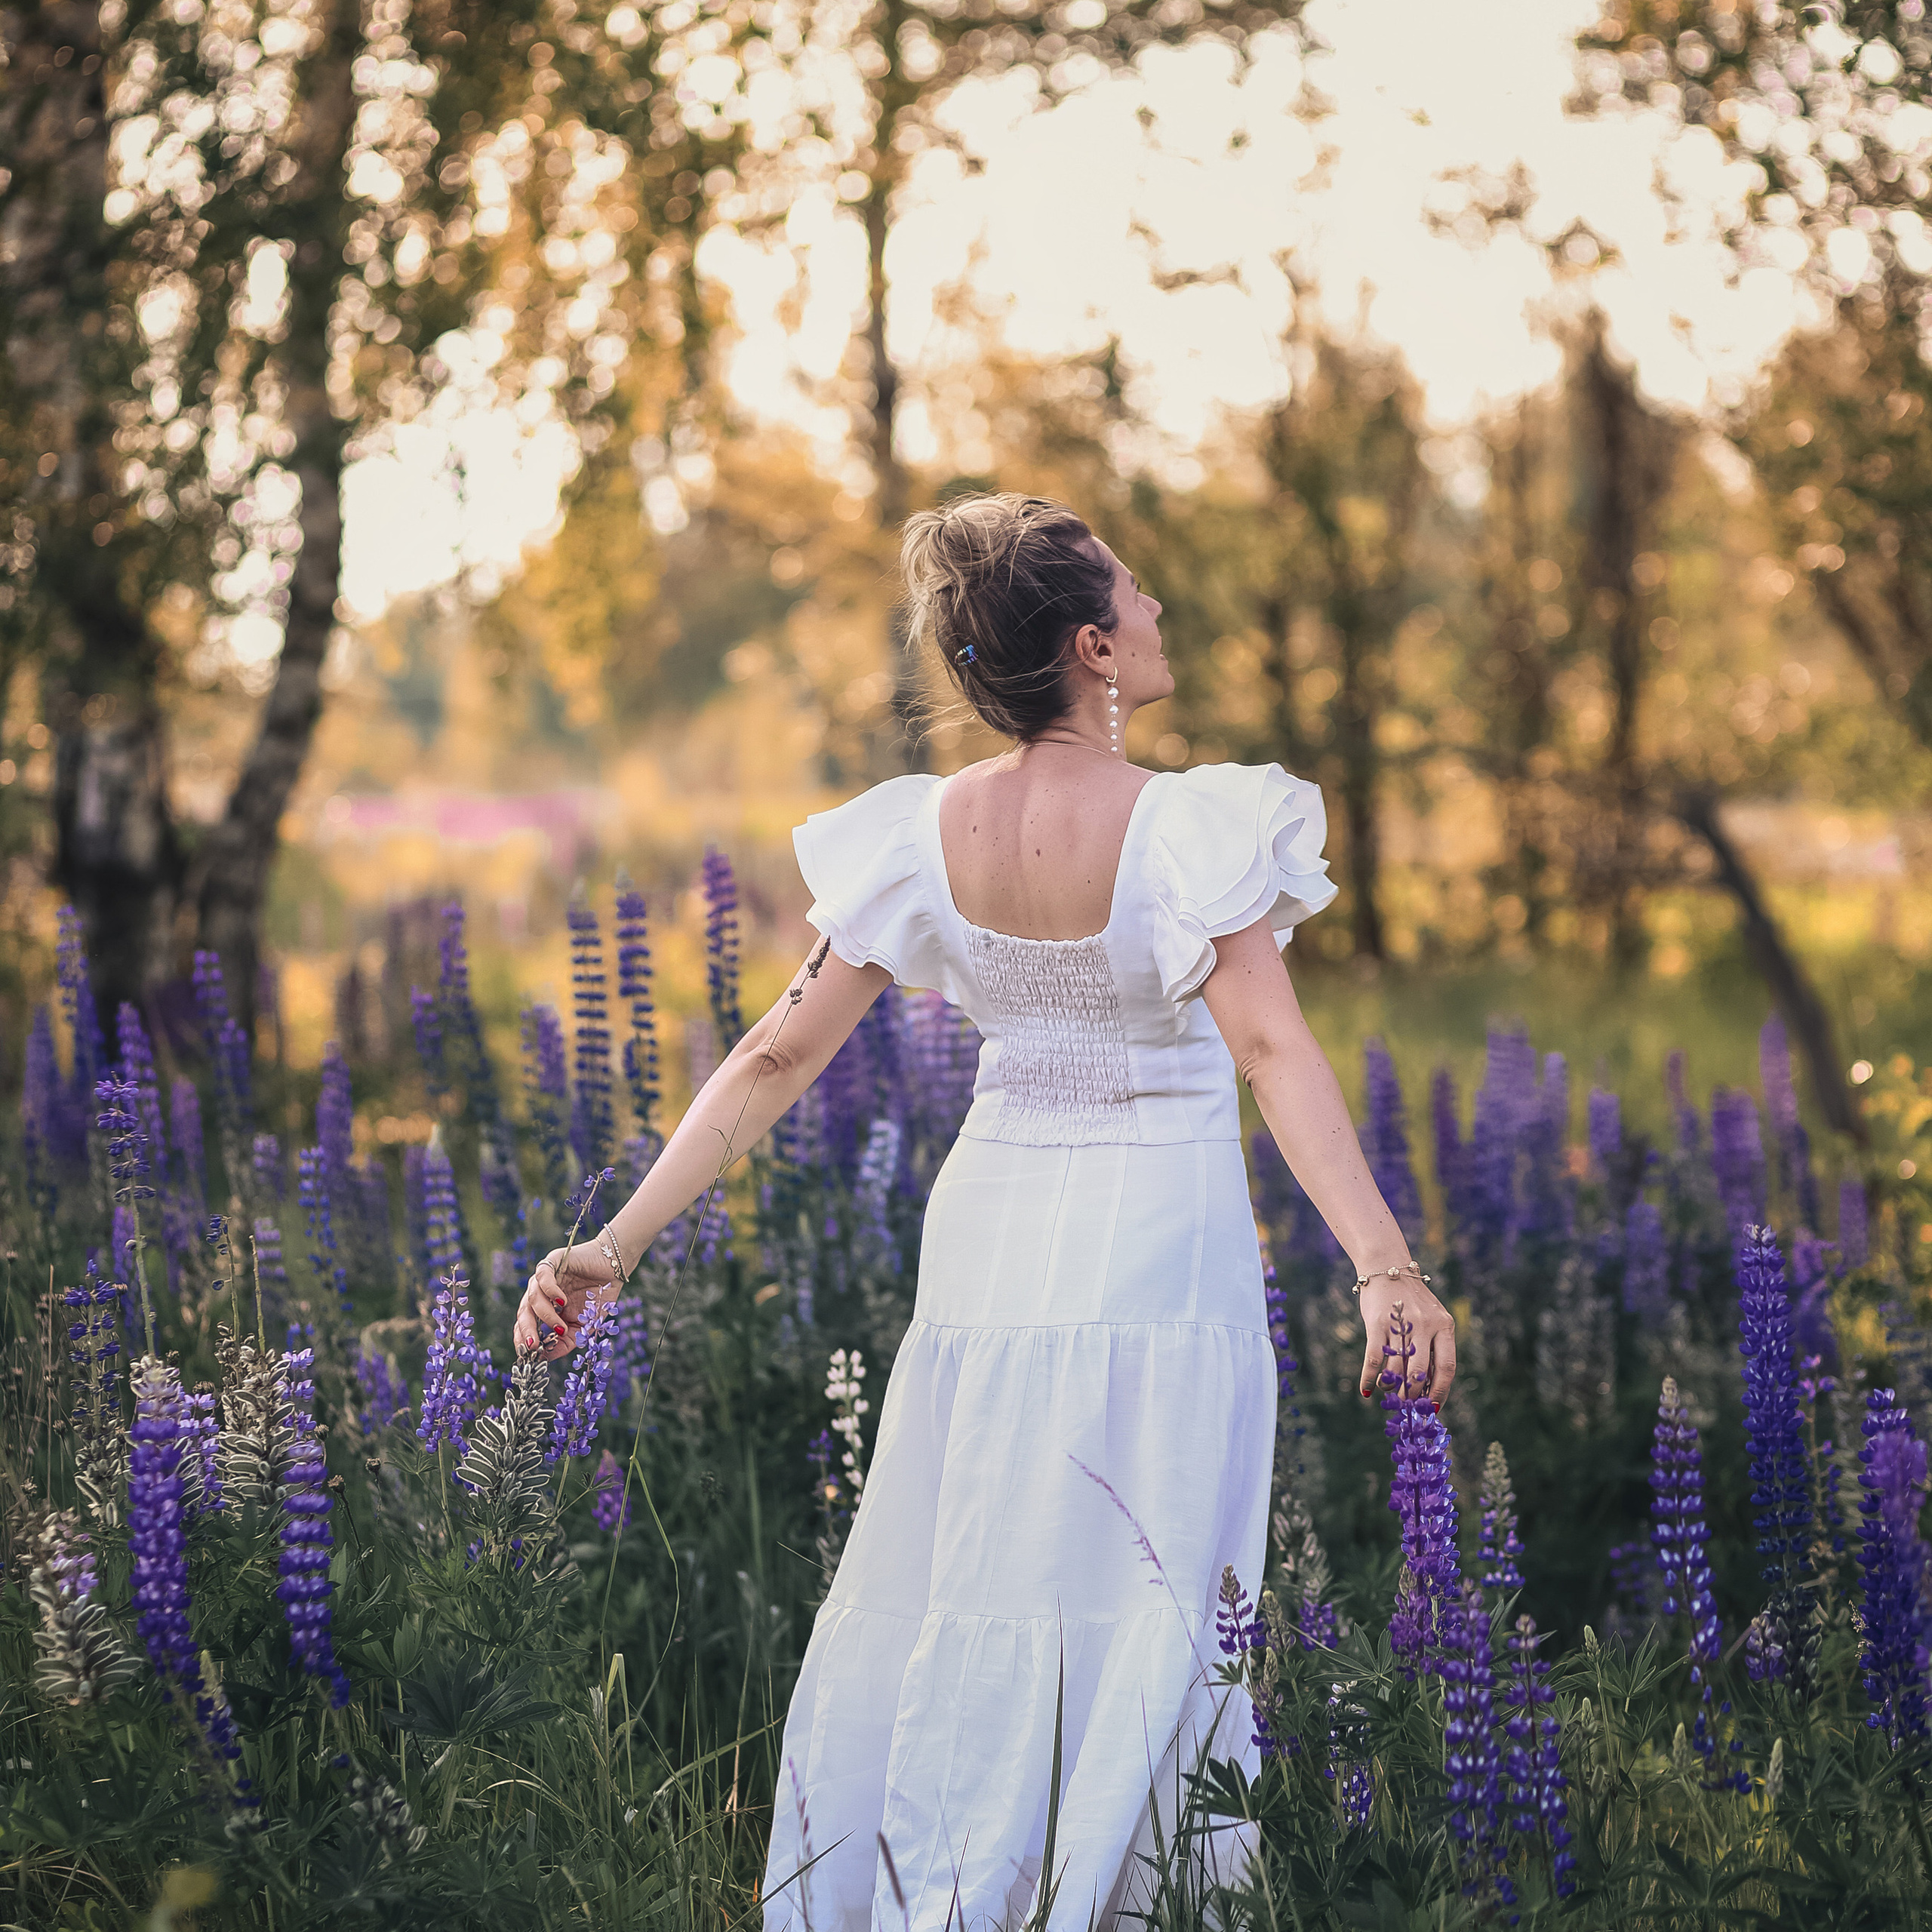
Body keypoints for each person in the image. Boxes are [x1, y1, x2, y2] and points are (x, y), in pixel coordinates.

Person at [515, 493, 1456, 1931]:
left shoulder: (924, 833)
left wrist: (615, 1243)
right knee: (1145, 1590)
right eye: (1138, 598)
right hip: (1156, 1251)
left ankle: (956, 1889)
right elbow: (1269, 1049)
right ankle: (1111, 1902)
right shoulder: (1189, 825)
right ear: (1092, 647)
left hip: (991, 1241)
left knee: (983, 1568)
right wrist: (1383, 1266)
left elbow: (773, 1053)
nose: (1158, 617)